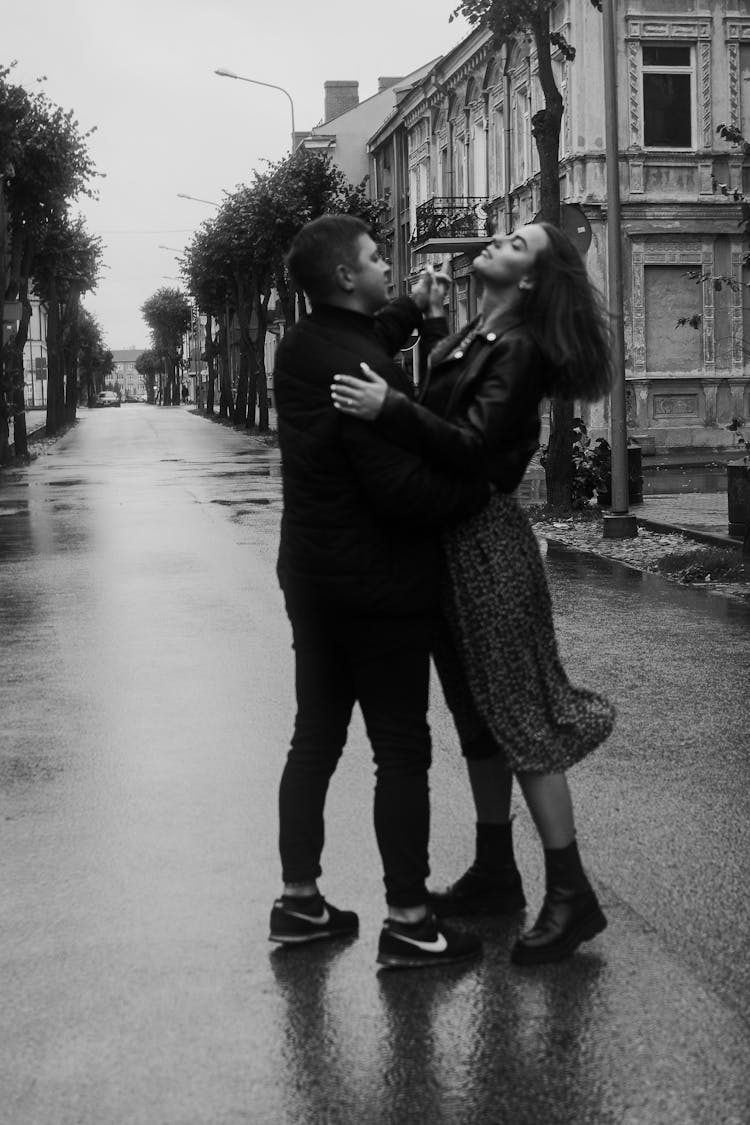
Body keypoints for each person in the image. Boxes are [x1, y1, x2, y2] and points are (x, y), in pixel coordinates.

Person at [330, 222, 616, 965]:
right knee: (476, 718)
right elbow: (443, 417)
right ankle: (496, 870)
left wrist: (388, 410)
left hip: (486, 543)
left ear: (530, 280)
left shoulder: (518, 348)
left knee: (518, 714)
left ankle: (571, 891)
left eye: (514, 244)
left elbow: (472, 447)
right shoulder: (468, 338)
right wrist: (417, 322)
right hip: (445, 542)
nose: (494, 241)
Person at [270, 214, 489, 969]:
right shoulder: (367, 375)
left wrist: (415, 311)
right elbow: (398, 490)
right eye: (373, 258)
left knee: (315, 739)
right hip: (381, 585)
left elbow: (363, 335)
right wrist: (476, 489)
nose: (386, 265)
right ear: (342, 277)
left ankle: (299, 903)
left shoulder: (305, 345)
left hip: (312, 577)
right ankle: (409, 920)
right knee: (400, 749)